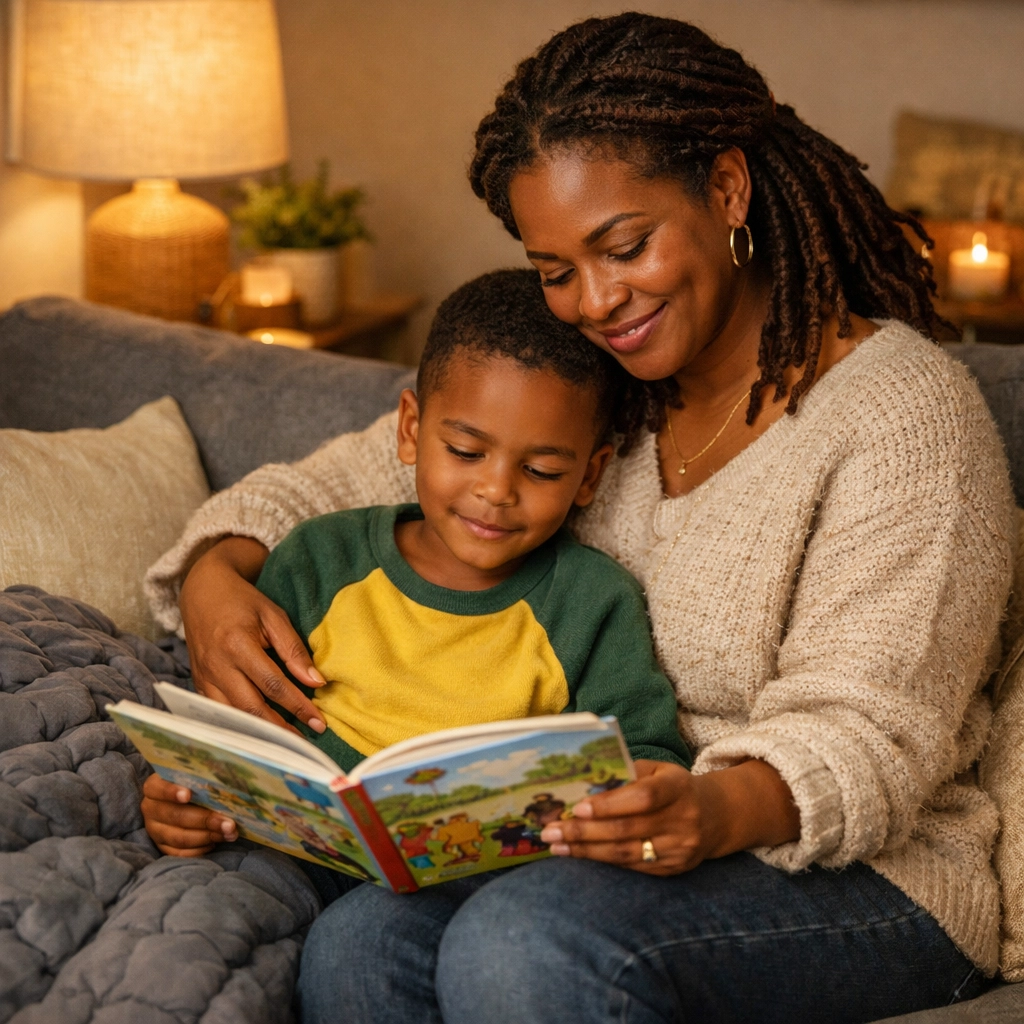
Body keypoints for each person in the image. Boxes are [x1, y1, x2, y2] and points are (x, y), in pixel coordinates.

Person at [144, 13, 1014, 1024]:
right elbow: (349, 476)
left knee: (522, 944)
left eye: (624, 246)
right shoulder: (600, 388)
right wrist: (216, 576)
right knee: (361, 937)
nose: (596, 301)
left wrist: (709, 806)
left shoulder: (901, 414)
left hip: (864, 871)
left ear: (725, 188)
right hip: (597, 846)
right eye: (556, 270)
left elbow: (876, 734)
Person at [140, 269, 690, 865]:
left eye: (542, 471)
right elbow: (233, 724)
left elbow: (647, 758)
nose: (496, 491)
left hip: (485, 879)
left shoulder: (593, 602)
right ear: (410, 429)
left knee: (366, 935)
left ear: (588, 475)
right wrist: (183, 798)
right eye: (465, 452)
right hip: (292, 852)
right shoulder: (319, 558)